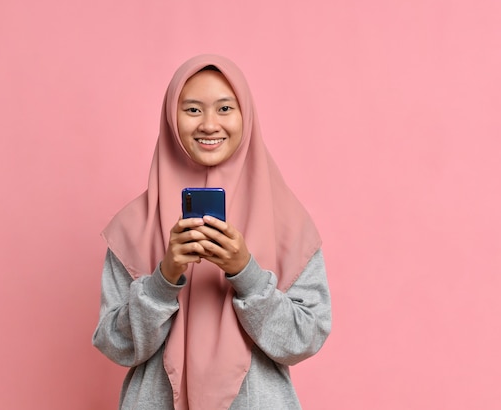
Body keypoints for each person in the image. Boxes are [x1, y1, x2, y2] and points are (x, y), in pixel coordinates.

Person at [92, 54, 331, 410]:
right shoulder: (134, 226)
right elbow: (116, 345)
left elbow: (305, 338)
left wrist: (245, 272)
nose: (208, 124)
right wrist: (165, 277)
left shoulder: (288, 223)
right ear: (171, 119)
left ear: (245, 116)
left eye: (224, 109)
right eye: (192, 110)